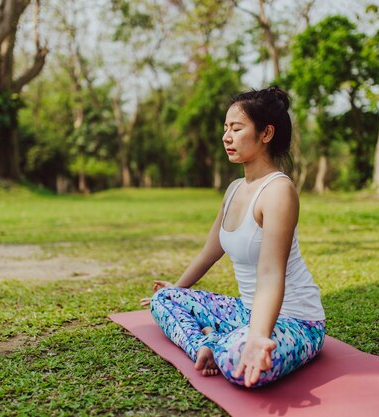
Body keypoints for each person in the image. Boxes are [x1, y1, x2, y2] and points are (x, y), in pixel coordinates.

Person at [139, 86, 325, 388]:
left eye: (236, 129)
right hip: (246, 311)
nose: (227, 136)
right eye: (226, 128)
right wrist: (178, 289)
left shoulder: (278, 191)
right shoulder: (234, 189)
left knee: (241, 361)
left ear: (266, 134)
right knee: (163, 300)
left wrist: (258, 337)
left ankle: (222, 343)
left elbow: (270, 273)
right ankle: (208, 344)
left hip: (295, 321)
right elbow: (209, 252)